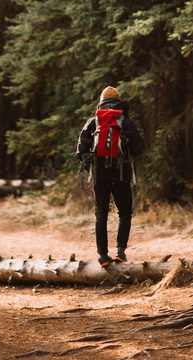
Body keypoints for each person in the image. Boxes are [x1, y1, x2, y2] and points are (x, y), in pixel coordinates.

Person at [76, 85, 145, 267]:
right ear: (119, 102)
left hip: (100, 176)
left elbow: (80, 150)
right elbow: (139, 149)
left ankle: (102, 256)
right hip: (121, 174)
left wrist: (93, 162)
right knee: (124, 214)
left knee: (101, 215)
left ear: (101, 102)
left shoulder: (93, 122)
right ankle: (120, 252)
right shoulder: (126, 122)